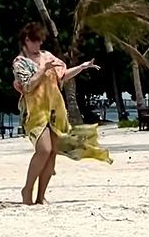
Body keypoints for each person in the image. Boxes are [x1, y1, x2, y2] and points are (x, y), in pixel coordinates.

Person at [12, 22, 112, 205]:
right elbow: (27, 86)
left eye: (41, 41)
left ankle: (41, 196)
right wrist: (43, 69)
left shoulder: (47, 56)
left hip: (55, 111)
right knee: (44, 150)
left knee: (52, 154)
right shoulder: (20, 63)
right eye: (36, 41)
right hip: (35, 112)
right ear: (27, 41)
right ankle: (27, 189)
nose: (39, 45)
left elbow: (62, 75)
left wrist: (81, 67)